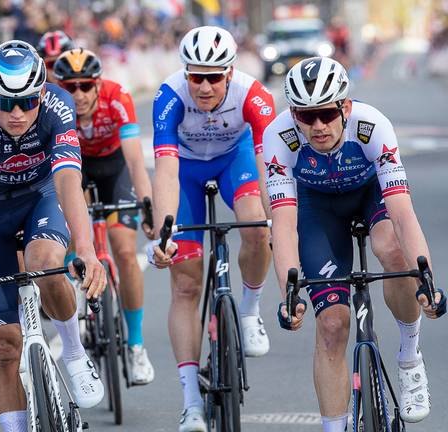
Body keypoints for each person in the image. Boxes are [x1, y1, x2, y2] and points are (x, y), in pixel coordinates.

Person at [267, 56, 446, 431]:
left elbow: (402, 212)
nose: (317, 126)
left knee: (391, 249)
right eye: (306, 115)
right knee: (332, 325)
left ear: (345, 106)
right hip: (317, 209)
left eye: (327, 114)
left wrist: (425, 276)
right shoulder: (279, 137)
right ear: (294, 113)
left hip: (370, 195)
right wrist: (289, 292)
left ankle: (410, 357)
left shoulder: (372, 126)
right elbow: (283, 225)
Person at [0, 40, 106, 432]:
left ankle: (73, 350)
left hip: (40, 197)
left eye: (27, 102)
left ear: (43, 94)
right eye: (6, 103)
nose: (17, 113)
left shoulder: (59, 108)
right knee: (2, 345)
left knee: (46, 263)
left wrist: (86, 250)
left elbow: (68, 183)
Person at [148, 26, 274, 431]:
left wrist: (279, 220)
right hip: (184, 172)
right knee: (185, 285)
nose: (203, 86)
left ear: (230, 72)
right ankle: (191, 402)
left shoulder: (253, 95)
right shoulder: (169, 96)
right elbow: (165, 171)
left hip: (233, 161)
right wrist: (164, 232)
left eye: (213, 77)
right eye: (195, 76)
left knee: (257, 228)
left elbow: (271, 167)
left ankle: (251, 311)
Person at [53, 47, 155, 385]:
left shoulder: (117, 97)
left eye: (86, 86)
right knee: (68, 231)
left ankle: (136, 345)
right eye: (70, 87)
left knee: (125, 251)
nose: (78, 94)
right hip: (75, 170)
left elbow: (136, 161)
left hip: (114, 169)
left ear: (99, 85)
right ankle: (75, 299)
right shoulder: (53, 104)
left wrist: (147, 205)